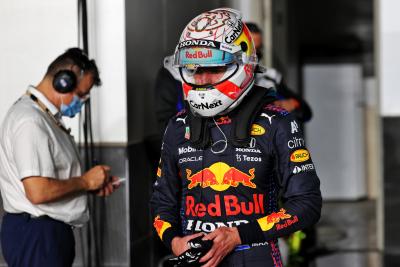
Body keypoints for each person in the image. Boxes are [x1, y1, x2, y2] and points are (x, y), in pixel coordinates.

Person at [150, 8, 322, 267]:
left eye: (215, 68)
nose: (203, 80)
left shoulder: (278, 123)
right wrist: (175, 240)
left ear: (242, 65)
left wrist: (238, 235)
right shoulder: (177, 126)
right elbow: (161, 202)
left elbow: (307, 204)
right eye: (194, 69)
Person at [0, 47, 120, 267]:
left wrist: (88, 186)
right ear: (63, 82)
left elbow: (48, 179)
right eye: (82, 94)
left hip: (46, 234)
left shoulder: (43, 117)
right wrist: (85, 181)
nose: (82, 101)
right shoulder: (30, 122)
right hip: (37, 236)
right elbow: (37, 191)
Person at [246, 22, 313, 123]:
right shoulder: (220, 74)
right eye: (251, 49)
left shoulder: (270, 76)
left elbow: (305, 112)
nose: (255, 55)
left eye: (258, 49)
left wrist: (285, 104)